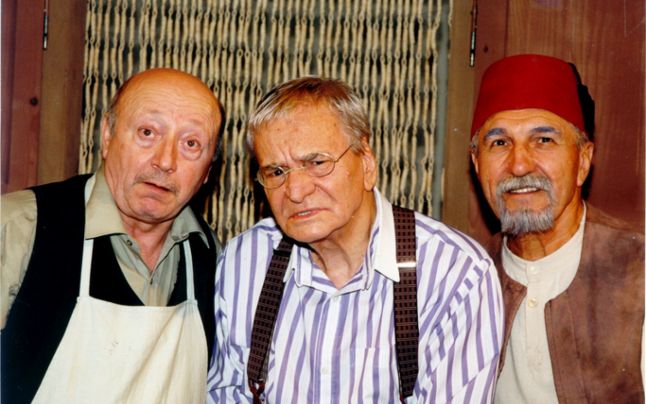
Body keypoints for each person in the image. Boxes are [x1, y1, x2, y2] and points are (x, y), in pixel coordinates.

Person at [206, 77, 503, 403]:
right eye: (277, 172)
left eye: (317, 163)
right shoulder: (244, 261)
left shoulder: (456, 274)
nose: (295, 191)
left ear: (367, 163)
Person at [1, 68, 223, 403]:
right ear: (107, 135)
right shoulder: (19, 227)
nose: (165, 161)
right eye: (147, 132)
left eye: (191, 143)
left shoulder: (210, 255)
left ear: (207, 171)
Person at [469, 54, 645, 403]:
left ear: (583, 161)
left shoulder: (637, 271)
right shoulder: (464, 278)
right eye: (500, 143)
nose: (519, 165)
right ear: (476, 163)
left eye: (544, 140)